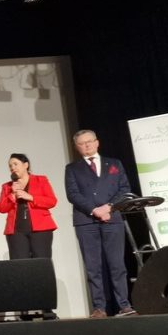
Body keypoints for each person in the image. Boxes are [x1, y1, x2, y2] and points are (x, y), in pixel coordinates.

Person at [64, 129, 137, 318]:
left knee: (117, 264)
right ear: (77, 147)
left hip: (112, 218)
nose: (87, 145)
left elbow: (124, 189)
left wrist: (109, 207)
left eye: (90, 141)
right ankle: (99, 307)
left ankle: (124, 305)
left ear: (97, 142)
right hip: (86, 221)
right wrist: (94, 210)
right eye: (82, 143)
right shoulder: (72, 168)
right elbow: (73, 194)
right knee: (93, 267)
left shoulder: (114, 164)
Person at [0, 153, 58, 259]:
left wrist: (31, 197)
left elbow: (52, 201)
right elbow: (1, 208)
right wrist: (12, 195)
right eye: (10, 166)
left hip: (41, 229)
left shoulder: (41, 180)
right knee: (20, 264)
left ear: (26, 165)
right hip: (16, 231)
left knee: (41, 262)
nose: (12, 167)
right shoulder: (7, 186)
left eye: (15, 164)